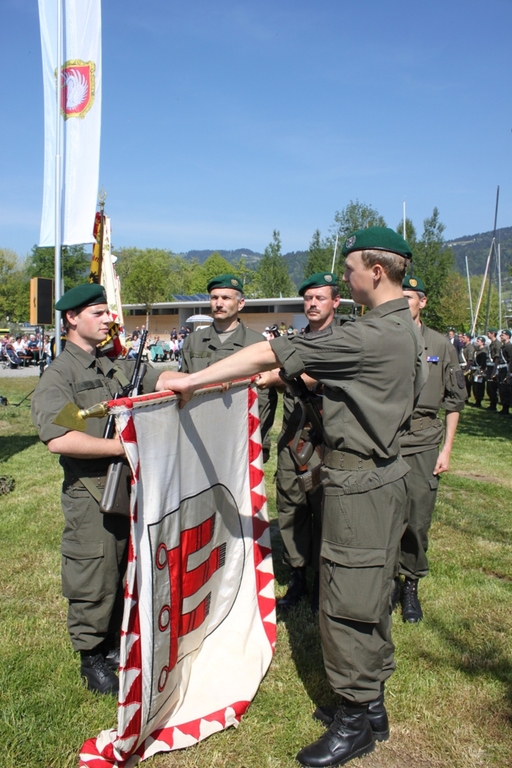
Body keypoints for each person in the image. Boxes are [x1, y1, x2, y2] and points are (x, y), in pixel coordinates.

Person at [156, 228, 426, 766]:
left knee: (347, 602)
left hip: (359, 483)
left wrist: (193, 381)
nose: (344, 278)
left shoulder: (371, 334)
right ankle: (372, 705)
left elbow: (269, 352)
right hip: (382, 477)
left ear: (376, 271)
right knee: (370, 592)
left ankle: (355, 720)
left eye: (349, 270)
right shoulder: (402, 328)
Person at [31, 284, 160, 695]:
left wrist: (205, 380)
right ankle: (92, 655)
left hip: (125, 484)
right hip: (90, 492)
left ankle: (116, 643)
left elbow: (161, 380)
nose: (109, 319)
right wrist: (121, 447)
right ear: (72, 318)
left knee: (125, 565)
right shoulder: (61, 375)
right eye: (99, 313)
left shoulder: (110, 365)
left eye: (108, 312)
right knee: (95, 571)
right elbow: (60, 438)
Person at [257, 273, 340, 613]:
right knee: (291, 506)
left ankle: (324, 578)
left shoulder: (346, 338)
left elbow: (322, 372)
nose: (313, 304)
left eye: (320, 297)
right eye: (308, 298)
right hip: (293, 439)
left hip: (329, 440)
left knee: (325, 509)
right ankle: (298, 575)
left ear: (335, 301)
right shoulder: (292, 342)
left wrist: (280, 376)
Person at [394, 275, 466, 623]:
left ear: (422, 302)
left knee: (417, 518)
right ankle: (384, 582)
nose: (403, 302)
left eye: (409, 297)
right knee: (383, 517)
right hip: (386, 438)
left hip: (423, 440)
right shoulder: (387, 338)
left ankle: (410, 584)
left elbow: (454, 400)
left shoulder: (440, 344)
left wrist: (446, 449)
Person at [180, 274, 276, 460]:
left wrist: (261, 441)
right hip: (199, 434)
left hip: (241, 439)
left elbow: (265, 398)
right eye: (214, 298)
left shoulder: (257, 343)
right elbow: (182, 385)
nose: (219, 303)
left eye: (226, 298)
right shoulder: (194, 341)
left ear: (240, 304)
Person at [485, 328, 502, 410]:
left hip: (494, 367)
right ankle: (492, 403)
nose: (488, 334)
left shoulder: (497, 344)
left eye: (489, 333)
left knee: (493, 386)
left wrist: (494, 371)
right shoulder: (492, 344)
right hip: (490, 366)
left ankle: (494, 404)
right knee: (489, 387)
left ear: (493, 333)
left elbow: (497, 358)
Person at [498, 330, 512, 415]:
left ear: (508, 336)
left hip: (507, 369)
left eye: (503, 335)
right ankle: (504, 407)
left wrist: (508, 373)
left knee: (506, 389)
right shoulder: (503, 346)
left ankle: (506, 408)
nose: (501, 336)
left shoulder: (509, 347)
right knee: (502, 389)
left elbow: (510, 361)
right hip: (502, 369)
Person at [472, 337, 489, 407]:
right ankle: (476, 399)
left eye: (478, 341)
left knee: (480, 386)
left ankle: (478, 401)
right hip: (476, 370)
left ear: (482, 342)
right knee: (475, 386)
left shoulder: (484, 351)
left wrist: (482, 371)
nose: (476, 342)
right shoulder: (477, 351)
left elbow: (483, 362)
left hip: (480, 370)